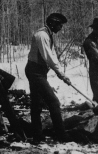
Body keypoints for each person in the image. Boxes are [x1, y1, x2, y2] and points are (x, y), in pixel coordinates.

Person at [25, 12, 70, 143]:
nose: (61, 28)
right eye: (59, 25)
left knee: (37, 104)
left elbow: (53, 55)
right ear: (52, 23)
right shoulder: (42, 35)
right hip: (35, 72)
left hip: (38, 71)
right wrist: (60, 74)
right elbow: (48, 57)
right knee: (54, 102)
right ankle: (61, 135)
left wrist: (60, 72)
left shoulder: (48, 34)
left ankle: (37, 136)